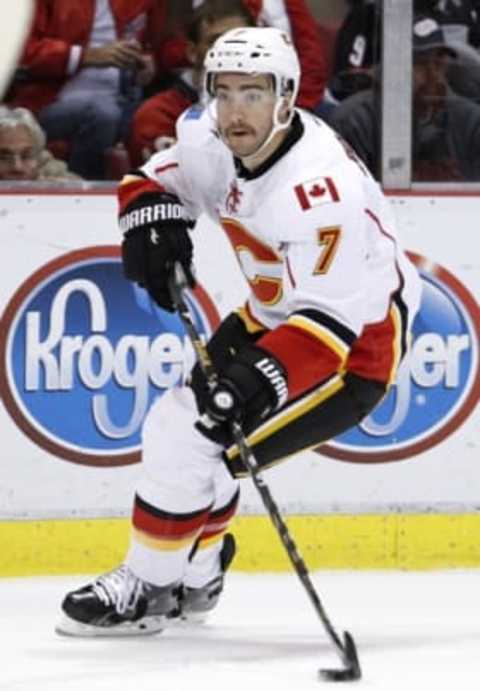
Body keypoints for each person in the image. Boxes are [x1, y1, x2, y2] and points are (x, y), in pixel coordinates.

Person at [56, 27, 421, 636]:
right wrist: (153, 222)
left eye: (253, 93)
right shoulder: (208, 136)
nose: (234, 110)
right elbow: (155, 178)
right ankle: (194, 579)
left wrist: (260, 380)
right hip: (276, 313)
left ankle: (159, 584)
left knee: (206, 444)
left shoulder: (319, 190)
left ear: (286, 98)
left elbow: (327, 330)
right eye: (223, 92)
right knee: (180, 427)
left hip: (354, 348)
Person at [7, 0, 155, 180]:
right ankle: (82, 192)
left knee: (150, 120)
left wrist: (147, 64)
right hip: (50, 101)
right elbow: (20, 50)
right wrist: (84, 56)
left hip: (123, 97)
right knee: (102, 114)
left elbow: (157, 45)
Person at [329, 15, 480, 181]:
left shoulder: (470, 120)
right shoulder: (354, 121)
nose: (433, 76)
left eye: (438, 64)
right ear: (394, 67)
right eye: (420, 64)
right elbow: (351, 195)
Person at [128, 0, 255, 167]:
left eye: (240, 41)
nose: (230, 52)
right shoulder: (158, 115)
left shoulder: (277, 111)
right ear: (193, 53)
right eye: (216, 42)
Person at [0, 106, 80, 182]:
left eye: (26, 156)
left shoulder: (55, 176)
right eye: (4, 157)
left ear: (39, 156)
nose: (17, 167)